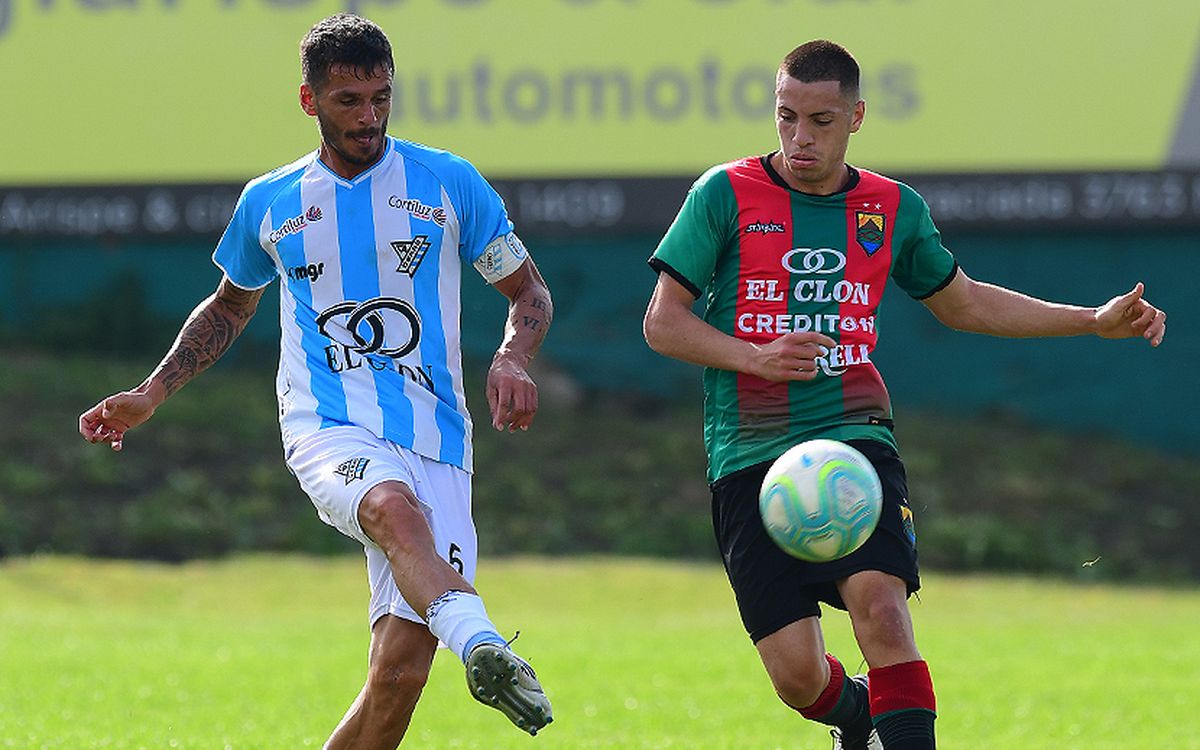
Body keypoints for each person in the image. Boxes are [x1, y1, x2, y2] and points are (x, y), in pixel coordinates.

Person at [642, 40, 1166, 750]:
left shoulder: (891, 207)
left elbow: (966, 303)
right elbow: (662, 323)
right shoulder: (724, 194)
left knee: (883, 612)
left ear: (856, 117)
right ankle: (857, 722)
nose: (801, 138)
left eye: (821, 121)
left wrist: (1091, 320)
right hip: (750, 454)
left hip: (854, 437)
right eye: (787, 116)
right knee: (797, 677)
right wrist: (755, 355)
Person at [78, 14, 554, 748]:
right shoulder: (270, 201)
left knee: (398, 677)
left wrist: (512, 358)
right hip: (327, 427)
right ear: (309, 101)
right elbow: (230, 306)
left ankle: (463, 639)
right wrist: (151, 392)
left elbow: (529, 293)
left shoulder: (448, 183)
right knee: (392, 508)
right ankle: (482, 642)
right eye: (348, 101)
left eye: (380, 97)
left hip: (439, 438)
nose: (368, 117)